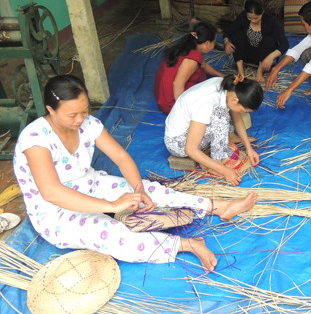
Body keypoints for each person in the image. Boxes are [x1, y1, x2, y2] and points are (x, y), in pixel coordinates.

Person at [13, 75, 257, 273]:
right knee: (113, 235)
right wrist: (111, 205)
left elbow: (121, 157)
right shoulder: (36, 139)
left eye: (84, 111)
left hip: (89, 184)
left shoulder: (89, 124)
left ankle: (218, 207)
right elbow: (52, 192)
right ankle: (187, 245)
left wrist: (138, 190)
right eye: (72, 115)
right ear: (50, 110)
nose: (80, 119)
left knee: (152, 190)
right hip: (55, 211)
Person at [164, 74, 263, 186]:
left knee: (223, 112)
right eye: (243, 110)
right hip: (178, 143)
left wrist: (248, 148)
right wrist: (224, 170)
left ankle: (230, 138)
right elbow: (190, 149)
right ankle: (216, 162)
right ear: (236, 100)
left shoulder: (229, 87)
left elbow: (236, 117)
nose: (242, 113)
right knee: (220, 115)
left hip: (186, 131)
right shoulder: (207, 104)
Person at [154, 21, 225, 114]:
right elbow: (177, 85)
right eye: (214, 42)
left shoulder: (187, 46)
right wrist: (183, 111)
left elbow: (203, 65)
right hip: (171, 103)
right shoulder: (193, 59)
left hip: (161, 95)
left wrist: (221, 75)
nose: (213, 45)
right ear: (207, 43)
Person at [223, 0, 289, 82]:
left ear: (262, 13)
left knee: (269, 40)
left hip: (264, 59)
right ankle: (240, 69)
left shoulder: (271, 21)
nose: (253, 21)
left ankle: (260, 71)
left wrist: (271, 57)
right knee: (237, 34)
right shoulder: (243, 17)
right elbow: (228, 31)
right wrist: (226, 42)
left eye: (256, 18)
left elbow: (285, 44)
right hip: (245, 55)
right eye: (250, 17)